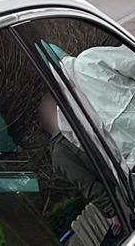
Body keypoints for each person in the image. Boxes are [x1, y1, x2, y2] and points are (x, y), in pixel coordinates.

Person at [39, 95, 122, 237]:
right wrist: (113, 211)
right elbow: (87, 184)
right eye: (55, 107)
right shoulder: (61, 151)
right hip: (120, 197)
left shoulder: (77, 126)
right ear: (49, 116)